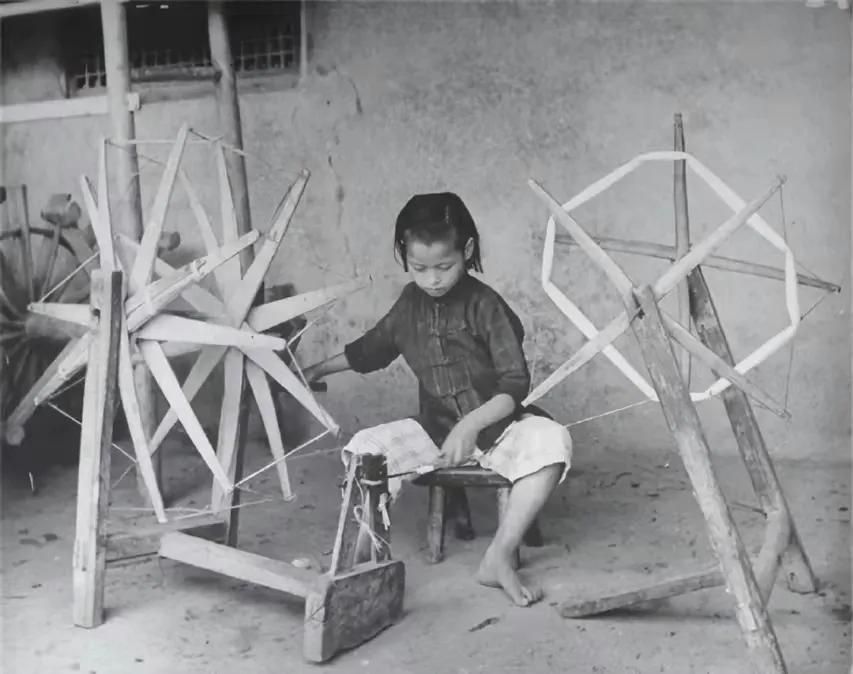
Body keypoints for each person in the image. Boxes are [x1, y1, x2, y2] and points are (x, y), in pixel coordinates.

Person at [303, 192, 572, 607]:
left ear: (467, 250)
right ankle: (358, 562)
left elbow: (514, 383)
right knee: (365, 450)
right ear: (404, 256)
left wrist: (472, 424)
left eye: (444, 267)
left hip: (499, 429)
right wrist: (317, 370)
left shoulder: (486, 305)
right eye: (419, 268)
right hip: (436, 431)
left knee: (553, 442)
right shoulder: (409, 305)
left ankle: (499, 557)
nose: (432, 279)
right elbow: (370, 350)